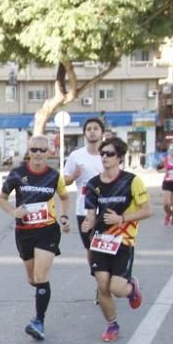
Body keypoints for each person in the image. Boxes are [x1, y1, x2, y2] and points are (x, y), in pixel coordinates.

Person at [0, 137, 72, 340]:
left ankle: (39, 321)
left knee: (41, 276)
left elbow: (65, 197)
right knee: (33, 279)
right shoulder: (18, 174)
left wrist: (64, 217)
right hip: (24, 231)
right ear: (29, 151)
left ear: (49, 152)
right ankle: (41, 294)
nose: (38, 153)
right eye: (34, 149)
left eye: (42, 150)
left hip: (48, 230)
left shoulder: (55, 176)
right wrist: (13, 212)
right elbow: (1, 199)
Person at [81, 137, 150, 342]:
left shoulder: (131, 181)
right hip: (102, 240)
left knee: (117, 288)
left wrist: (122, 218)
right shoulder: (93, 184)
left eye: (109, 154)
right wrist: (88, 223)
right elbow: (91, 215)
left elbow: (147, 210)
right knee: (102, 285)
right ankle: (112, 325)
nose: (105, 157)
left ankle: (131, 288)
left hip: (123, 241)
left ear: (119, 157)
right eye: (102, 154)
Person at [63, 118, 107, 285]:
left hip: (105, 209)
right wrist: (74, 176)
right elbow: (65, 181)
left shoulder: (109, 154)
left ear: (102, 132)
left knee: (104, 247)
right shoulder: (76, 155)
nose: (92, 131)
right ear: (84, 133)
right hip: (83, 209)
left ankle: (105, 281)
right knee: (91, 248)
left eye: (96, 128)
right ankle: (99, 280)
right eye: (89, 129)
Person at [157, 144, 173, 228]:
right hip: (167, 183)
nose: (172, 151)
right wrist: (164, 169)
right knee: (166, 204)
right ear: (169, 151)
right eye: (171, 150)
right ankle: (168, 214)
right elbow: (158, 170)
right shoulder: (165, 159)